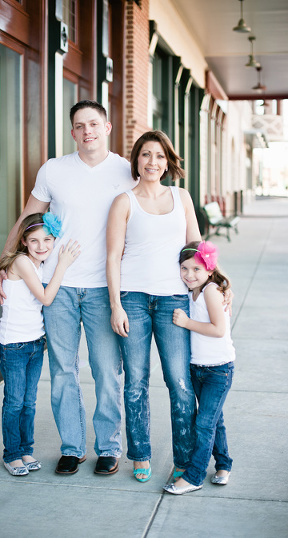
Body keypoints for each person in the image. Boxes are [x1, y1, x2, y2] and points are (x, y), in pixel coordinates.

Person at [0, 100, 136, 476]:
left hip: (103, 289)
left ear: (107, 127)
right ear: (72, 132)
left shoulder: (127, 171)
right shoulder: (54, 170)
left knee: (107, 371)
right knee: (63, 372)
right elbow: (28, 217)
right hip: (57, 289)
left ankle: (108, 447)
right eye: (79, 125)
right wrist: (4, 262)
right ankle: (72, 448)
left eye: (93, 123)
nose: (86, 130)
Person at [106, 130, 201, 483]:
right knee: (135, 382)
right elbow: (113, 256)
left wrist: (214, 287)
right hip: (132, 299)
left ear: (168, 162)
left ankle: (185, 457)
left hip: (174, 299)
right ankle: (140, 453)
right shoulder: (124, 201)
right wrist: (116, 305)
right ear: (136, 160)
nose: (152, 162)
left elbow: (196, 249)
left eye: (159, 156)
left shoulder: (182, 197)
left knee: (179, 381)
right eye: (146, 155)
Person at [0, 212, 80, 476]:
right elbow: (45, 298)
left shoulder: (37, 262)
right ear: (24, 242)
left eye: (48, 240)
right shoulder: (22, 262)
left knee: (29, 402)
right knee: (15, 402)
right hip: (14, 346)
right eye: (34, 241)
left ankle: (26, 449)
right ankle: (11, 454)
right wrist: (63, 264)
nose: (42, 246)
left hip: (34, 342)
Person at [164, 241, 235, 495]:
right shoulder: (191, 290)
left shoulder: (211, 291)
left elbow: (218, 329)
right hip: (198, 369)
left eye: (196, 269)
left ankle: (194, 476)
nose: (189, 274)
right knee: (215, 420)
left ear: (209, 268)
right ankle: (224, 465)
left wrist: (186, 322)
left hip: (218, 370)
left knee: (204, 424)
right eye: (184, 268)